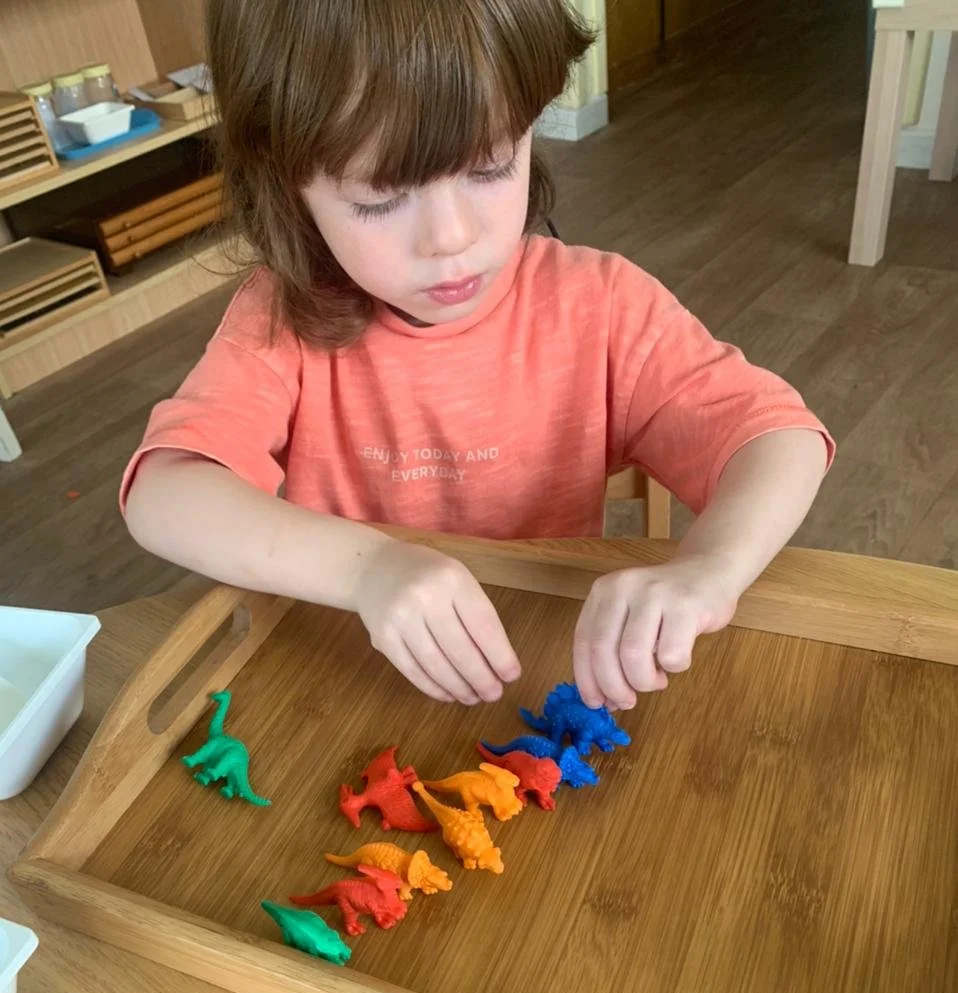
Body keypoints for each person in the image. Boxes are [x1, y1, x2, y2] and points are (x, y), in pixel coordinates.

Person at [122, 0, 833, 713]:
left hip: (545, 670)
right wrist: (367, 570)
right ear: (287, 187)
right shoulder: (280, 322)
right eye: (379, 199)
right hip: (359, 676)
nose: (451, 238)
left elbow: (779, 437)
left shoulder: (600, 304)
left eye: (490, 166)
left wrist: (711, 566)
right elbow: (163, 495)